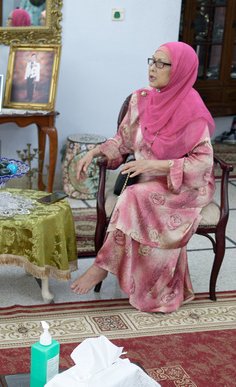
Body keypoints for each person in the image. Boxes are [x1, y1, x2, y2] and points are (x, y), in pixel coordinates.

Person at [70, 42, 216, 313]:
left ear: (181, 70)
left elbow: (202, 163)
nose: (153, 67)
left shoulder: (192, 109)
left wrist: (155, 164)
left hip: (185, 186)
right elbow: (123, 140)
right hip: (150, 180)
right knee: (136, 197)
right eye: (152, 60)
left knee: (134, 196)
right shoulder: (142, 99)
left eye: (162, 63)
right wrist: (94, 152)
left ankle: (102, 267)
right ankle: (117, 272)